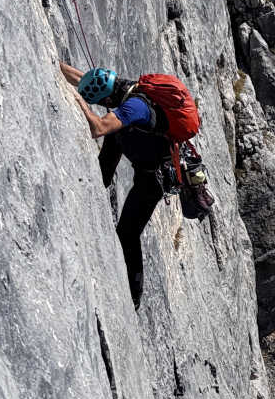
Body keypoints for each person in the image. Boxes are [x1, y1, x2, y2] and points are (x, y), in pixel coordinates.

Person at [60, 62, 205, 304]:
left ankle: (133, 296)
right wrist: (57, 65)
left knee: (127, 232)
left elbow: (98, 127)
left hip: (153, 179)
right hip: (145, 159)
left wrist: (78, 101)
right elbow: (84, 77)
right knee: (116, 135)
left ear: (107, 99)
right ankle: (100, 179)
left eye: (103, 104)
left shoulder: (135, 107)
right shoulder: (125, 86)